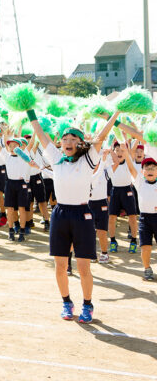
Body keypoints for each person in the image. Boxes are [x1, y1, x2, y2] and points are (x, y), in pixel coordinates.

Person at [28, 108, 119, 323]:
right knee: (60, 266)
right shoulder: (57, 158)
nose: (68, 142)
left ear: (80, 143)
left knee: (83, 266)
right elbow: (41, 134)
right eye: (64, 138)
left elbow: (101, 137)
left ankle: (88, 304)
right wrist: (28, 110)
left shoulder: (88, 159)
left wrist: (115, 114)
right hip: (60, 214)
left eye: (73, 139)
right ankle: (66, 302)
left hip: (82, 214)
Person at [122, 149, 157, 280]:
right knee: (145, 247)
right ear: (142, 172)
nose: (150, 171)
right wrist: (125, 151)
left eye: (153, 168)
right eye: (147, 168)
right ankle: (147, 268)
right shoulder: (140, 182)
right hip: (145, 219)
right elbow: (131, 167)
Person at [105, 141, 139, 255]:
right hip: (115, 191)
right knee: (111, 217)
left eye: (122, 150)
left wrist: (126, 140)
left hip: (127, 191)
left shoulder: (129, 162)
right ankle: (113, 241)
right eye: (117, 150)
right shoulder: (110, 162)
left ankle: (133, 241)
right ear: (113, 152)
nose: (119, 153)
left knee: (132, 217)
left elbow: (132, 149)